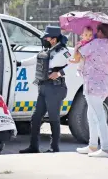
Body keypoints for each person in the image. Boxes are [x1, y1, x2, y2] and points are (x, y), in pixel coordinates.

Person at [18, 26, 70, 154]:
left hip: (55, 88)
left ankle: (54, 147)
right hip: (43, 87)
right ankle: (33, 147)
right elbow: (35, 60)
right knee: (35, 118)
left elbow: (76, 63)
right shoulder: (47, 50)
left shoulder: (63, 51)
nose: (44, 39)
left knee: (53, 118)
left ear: (53, 39)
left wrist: (60, 73)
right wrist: (18, 63)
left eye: (46, 37)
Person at [74, 23, 108, 158]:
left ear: (100, 32)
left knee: (98, 116)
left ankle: (105, 148)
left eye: (97, 30)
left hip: (93, 85)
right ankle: (92, 145)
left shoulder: (96, 43)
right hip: (102, 85)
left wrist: (78, 44)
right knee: (91, 116)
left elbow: (79, 53)